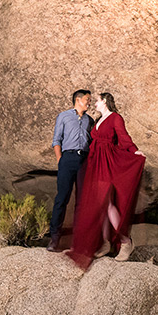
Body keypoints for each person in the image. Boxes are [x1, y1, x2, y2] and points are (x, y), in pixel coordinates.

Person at [66, 92, 146, 269]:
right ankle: (104, 243)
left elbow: (124, 138)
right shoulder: (98, 120)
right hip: (95, 164)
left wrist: (134, 151)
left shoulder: (115, 118)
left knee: (108, 204)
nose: (95, 103)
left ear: (105, 101)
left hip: (108, 163)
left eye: (97, 100)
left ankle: (125, 241)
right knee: (99, 204)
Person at [47, 89, 94, 252]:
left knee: (82, 202)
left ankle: (78, 241)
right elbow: (56, 140)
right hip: (68, 158)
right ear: (78, 99)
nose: (90, 102)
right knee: (62, 199)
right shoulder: (64, 116)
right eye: (88, 99)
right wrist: (61, 161)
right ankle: (54, 239)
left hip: (84, 161)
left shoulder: (90, 120)